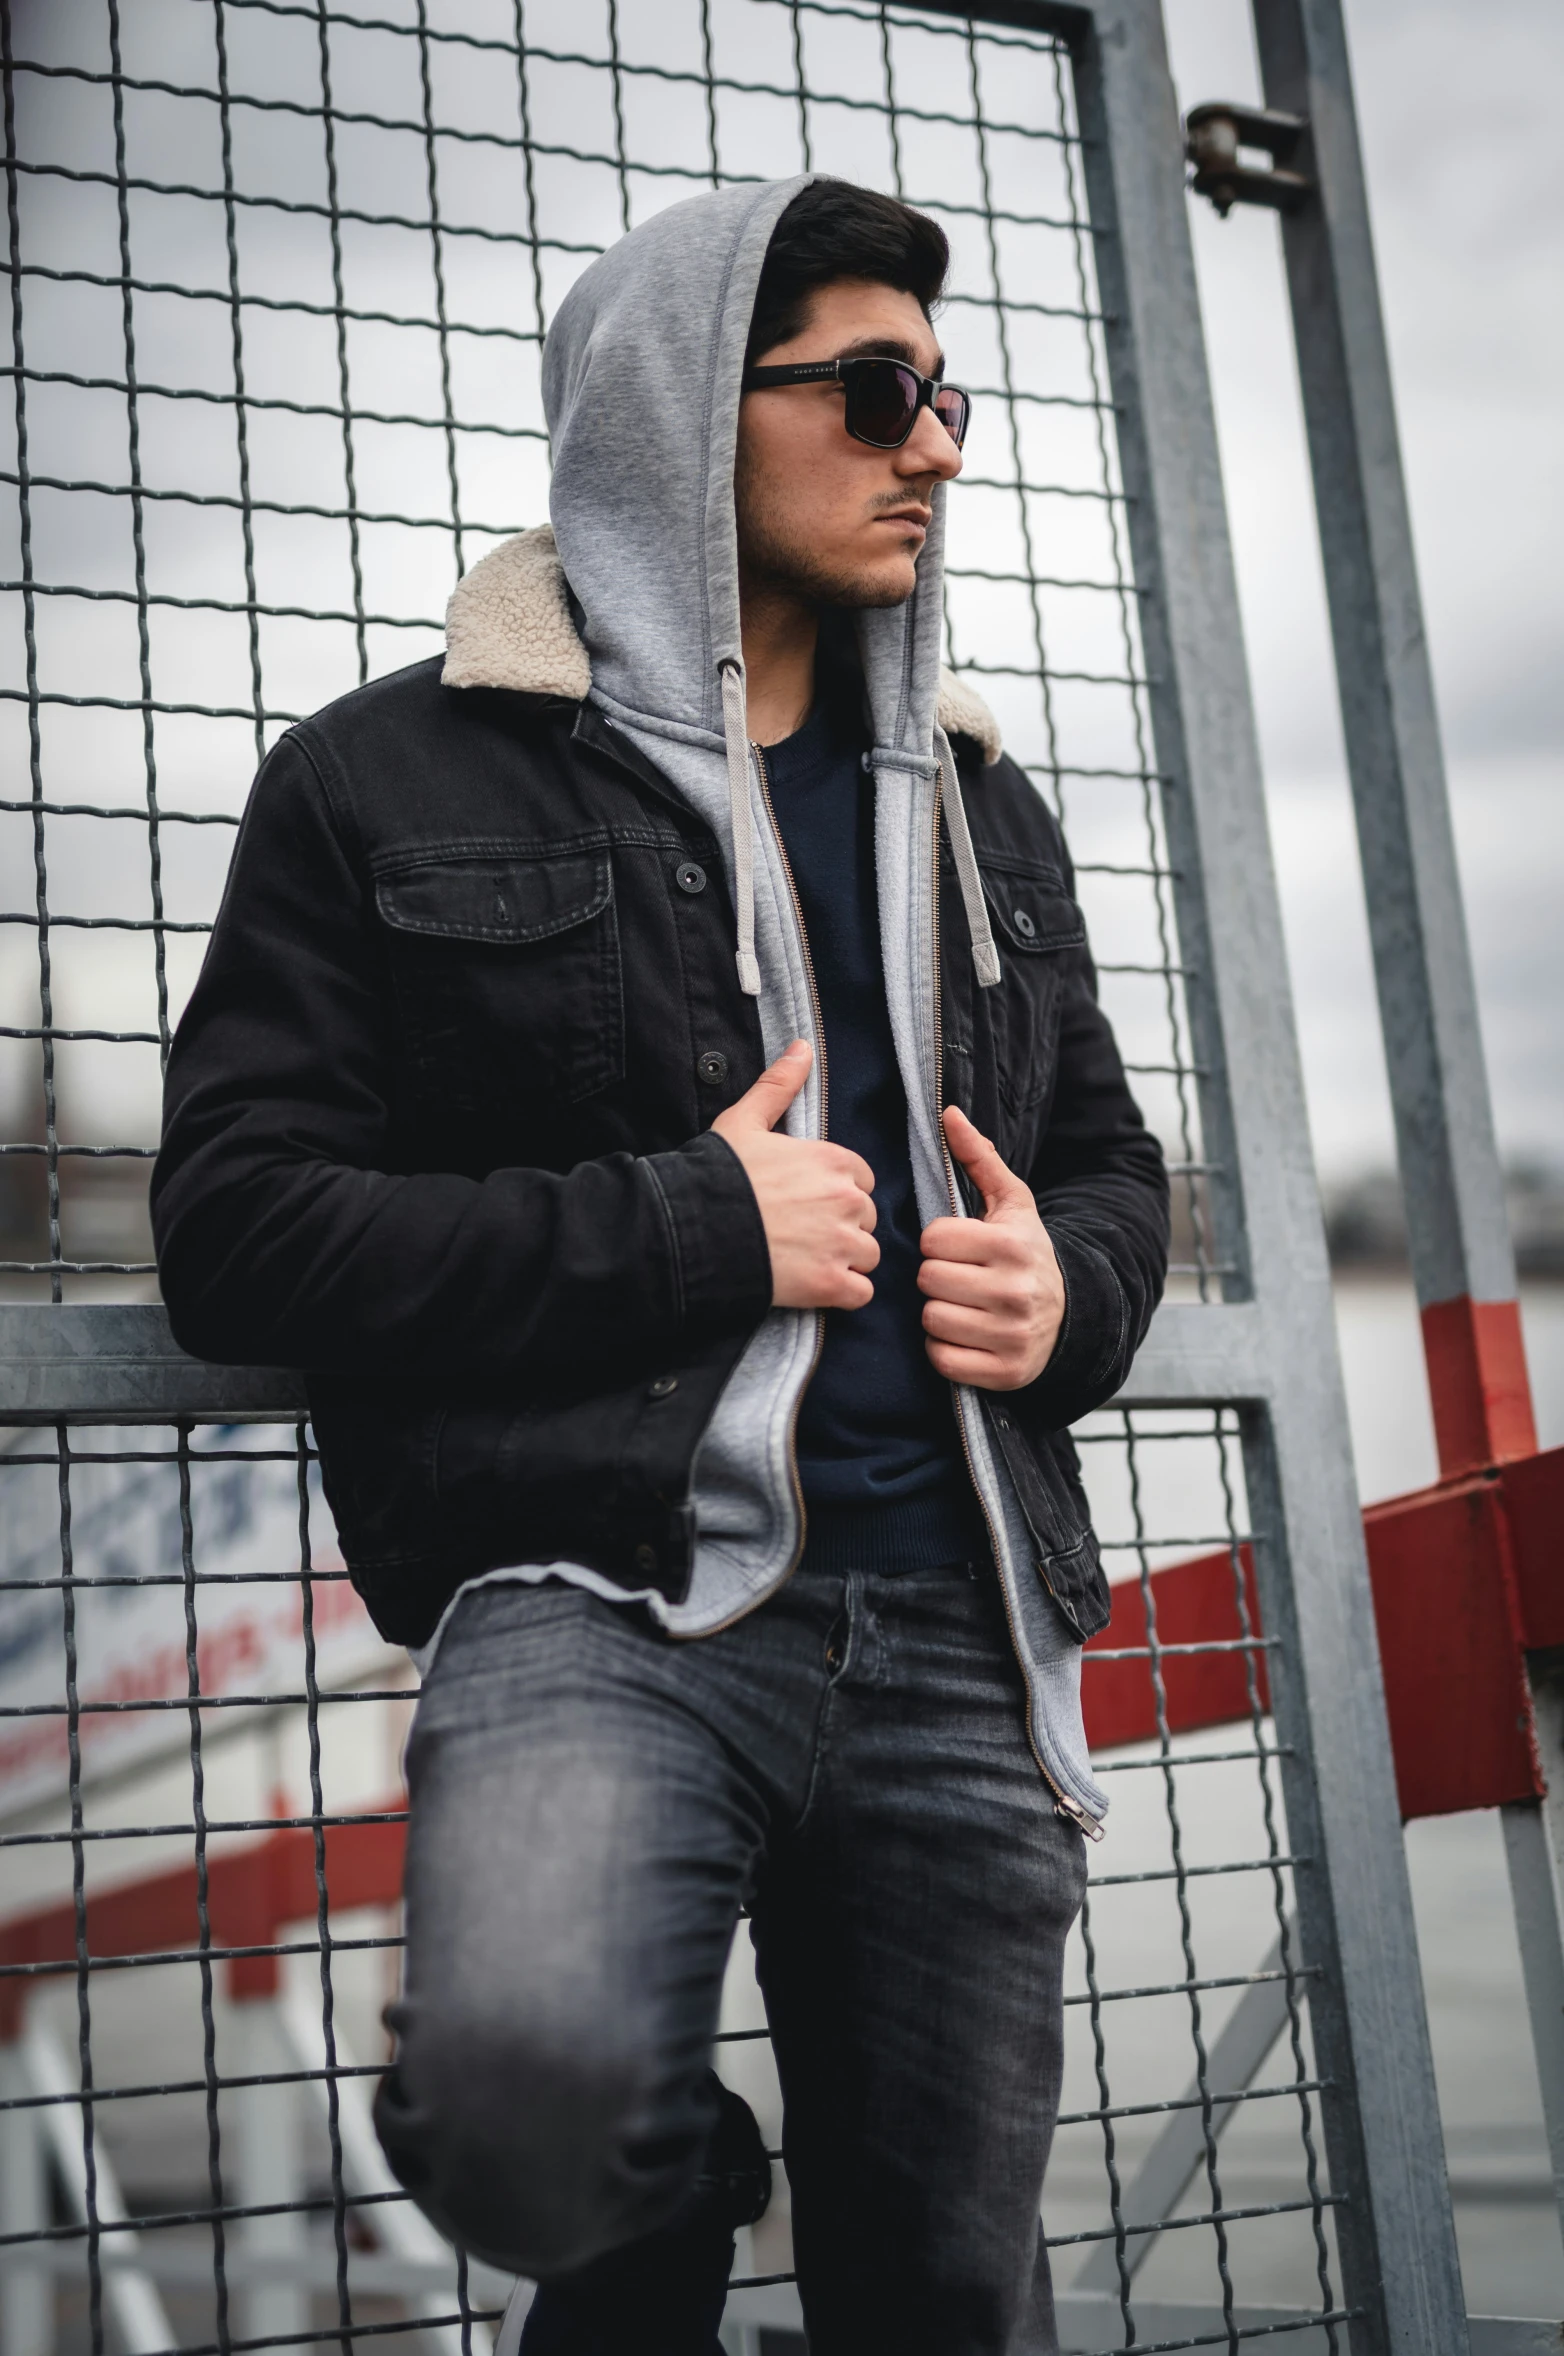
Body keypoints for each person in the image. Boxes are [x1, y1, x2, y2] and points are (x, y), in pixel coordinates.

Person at [153, 177, 1168, 2356]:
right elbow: (235, 1230)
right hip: (596, 1594)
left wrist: (1066, 1290)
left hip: (961, 1629)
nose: (935, 445)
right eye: (877, 389)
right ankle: (661, 2232)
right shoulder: (377, 776)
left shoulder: (978, 808)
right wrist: (696, 1221)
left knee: (939, 2298)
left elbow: (1105, 1158)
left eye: (947, 394)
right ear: (685, 405)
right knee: (527, 2097)